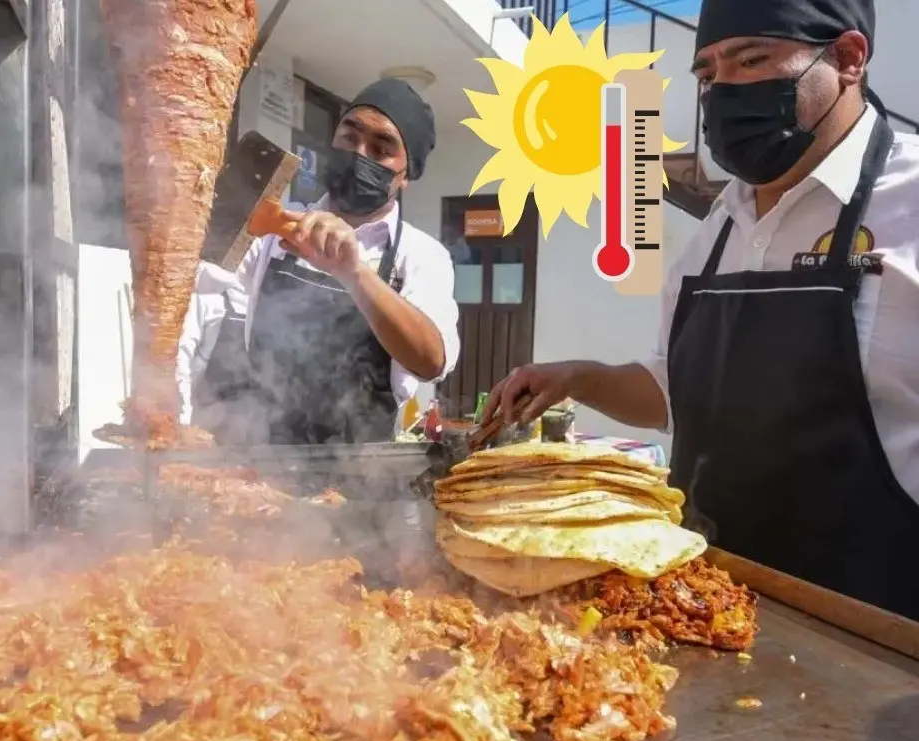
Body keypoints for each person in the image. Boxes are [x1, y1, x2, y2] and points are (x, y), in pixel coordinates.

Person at [483, 0, 919, 620]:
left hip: (870, 639)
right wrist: (576, 377)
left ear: (848, 58)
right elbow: (673, 392)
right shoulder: (716, 227)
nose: (723, 90)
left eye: (752, 60)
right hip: (701, 604)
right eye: (708, 74)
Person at [227, 78, 460, 444]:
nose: (359, 154)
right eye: (349, 138)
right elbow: (202, 273)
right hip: (262, 458)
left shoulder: (422, 256)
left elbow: (431, 360)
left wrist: (353, 272)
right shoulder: (274, 228)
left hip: (361, 480)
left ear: (405, 176)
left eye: (381, 149)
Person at [175, 261, 249, 435]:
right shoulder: (211, 295)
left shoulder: (284, 308)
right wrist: (181, 423)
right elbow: (180, 361)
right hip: (205, 425)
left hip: (257, 428)